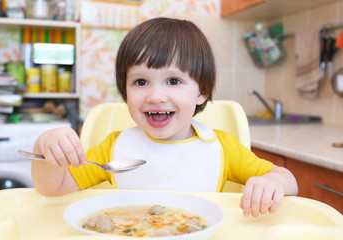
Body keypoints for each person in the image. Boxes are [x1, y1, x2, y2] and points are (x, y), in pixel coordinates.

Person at [32, 17, 298, 217]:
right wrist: (45, 148)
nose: (155, 96)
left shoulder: (222, 148)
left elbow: (289, 181)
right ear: (125, 90)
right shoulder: (113, 150)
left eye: (173, 80)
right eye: (140, 82)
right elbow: (55, 188)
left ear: (201, 91)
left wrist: (272, 182)